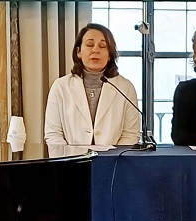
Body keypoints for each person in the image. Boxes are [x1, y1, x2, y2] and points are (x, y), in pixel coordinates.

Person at [44, 23, 142, 157]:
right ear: (78, 52)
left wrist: (112, 160)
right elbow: (53, 134)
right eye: (90, 45)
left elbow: (130, 133)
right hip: (70, 165)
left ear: (109, 55)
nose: (95, 50)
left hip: (113, 165)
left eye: (102, 46)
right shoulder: (60, 87)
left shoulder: (125, 87)